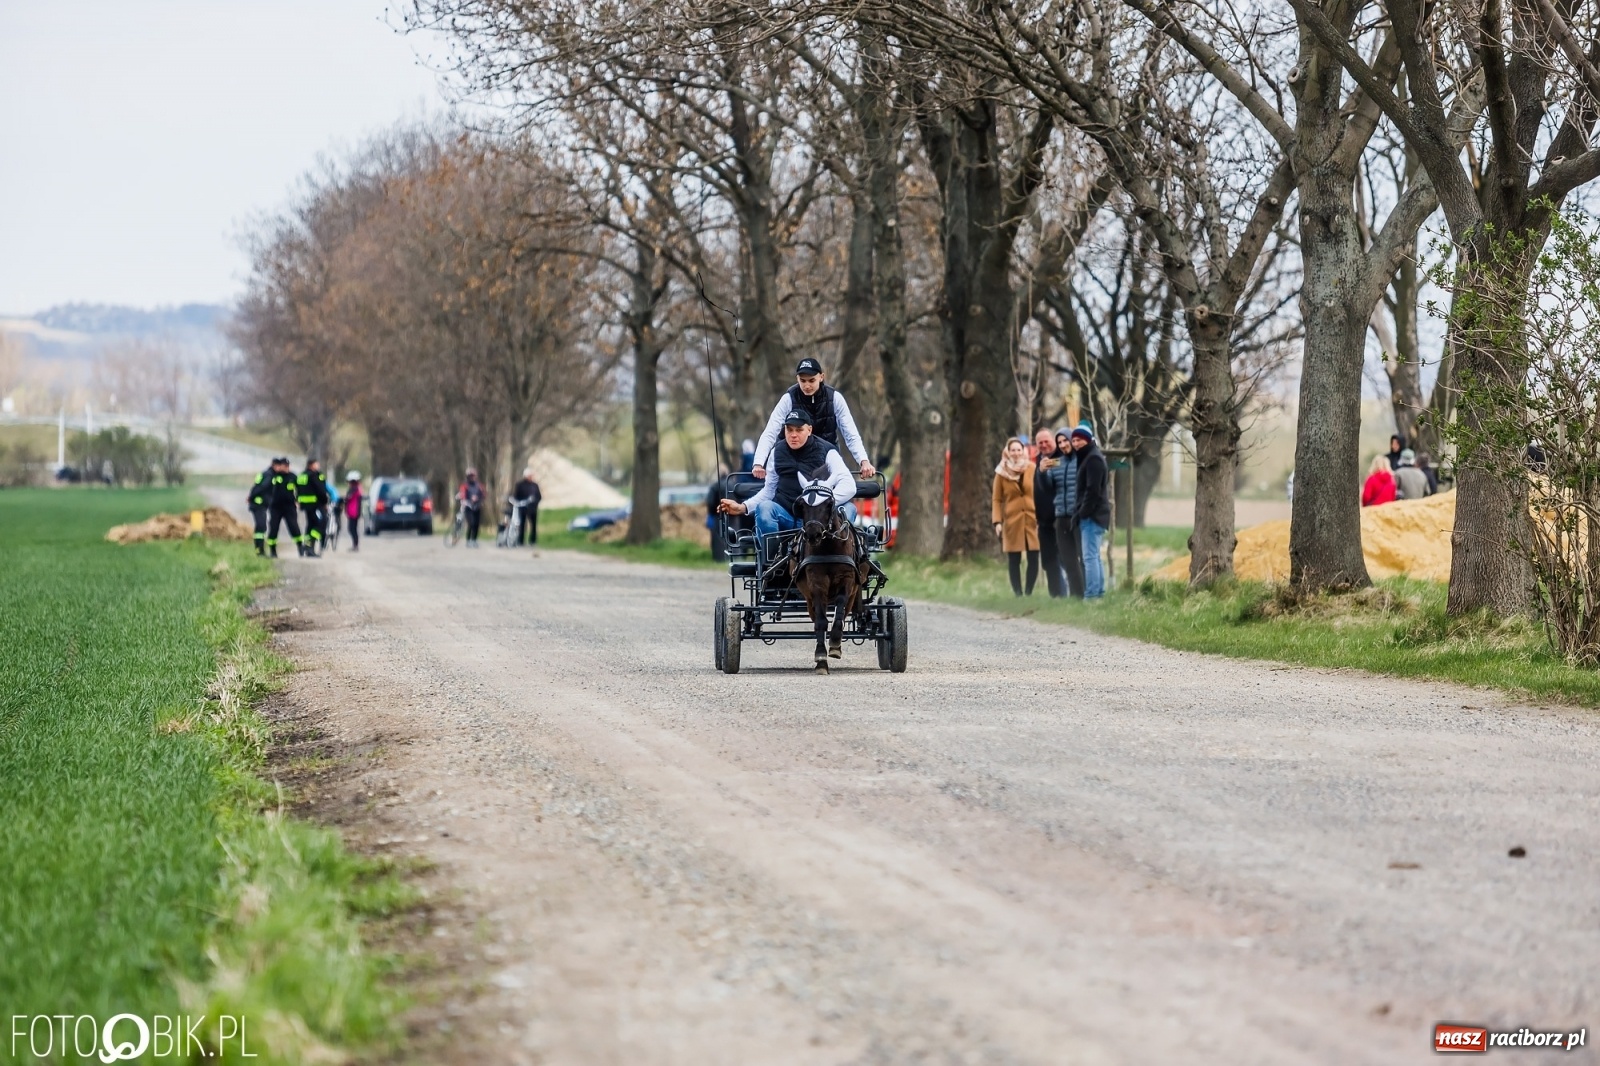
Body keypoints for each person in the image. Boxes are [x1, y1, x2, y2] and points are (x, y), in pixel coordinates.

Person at [717, 409, 855, 543]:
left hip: (819, 520)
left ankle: (841, 561)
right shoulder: (776, 452)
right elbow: (769, 491)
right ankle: (772, 562)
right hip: (786, 516)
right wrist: (743, 507)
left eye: (799, 430)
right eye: (789, 430)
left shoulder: (827, 451)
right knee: (765, 508)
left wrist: (821, 503)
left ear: (809, 430)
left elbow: (849, 485)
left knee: (849, 509)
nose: (793, 435)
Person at [752, 358, 875, 480]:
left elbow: (850, 433)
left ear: (821, 377)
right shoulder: (788, 399)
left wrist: (863, 461)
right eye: (802, 381)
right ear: (797, 379)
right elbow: (770, 432)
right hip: (793, 460)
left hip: (824, 460)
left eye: (811, 380)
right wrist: (759, 463)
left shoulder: (835, 398)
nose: (807, 385)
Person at [993, 437, 1040, 597]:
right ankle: (1018, 593)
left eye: (1019, 450)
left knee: (1034, 556)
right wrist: (997, 521)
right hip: (1012, 520)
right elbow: (997, 499)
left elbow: (1040, 491)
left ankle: (1028, 592)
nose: (1016, 453)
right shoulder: (1000, 473)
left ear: (1023, 451)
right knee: (1014, 559)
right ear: (1007, 452)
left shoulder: (1032, 468)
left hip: (1032, 519)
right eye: (1012, 450)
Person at [1071, 425, 1110, 600]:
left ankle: (1092, 595)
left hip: (1092, 516)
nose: (1075, 443)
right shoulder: (1089, 457)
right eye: (1074, 440)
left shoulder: (1093, 459)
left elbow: (1092, 490)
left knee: (1089, 558)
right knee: (1094, 556)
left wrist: (1083, 512)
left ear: (1087, 439)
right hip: (1094, 515)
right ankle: (1098, 593)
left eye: (1079, 439)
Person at [1053, 423, 1092, 599]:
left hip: (1079, 516)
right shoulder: (1056, 463)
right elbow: (1046, 488)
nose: (1062, 445)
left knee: (1084, 558)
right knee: (1068, 560)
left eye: (1065, 441)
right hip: (1061, 516)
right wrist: (1041, 472)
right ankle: (1076, 596)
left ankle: (1089, 593)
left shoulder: (1083, 460)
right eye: (1059, 442)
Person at [1032, 428, 1066, 597]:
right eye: (1040, 443)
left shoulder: (1062, 458)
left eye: (1047, 441)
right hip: (1043, 521)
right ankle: (1056, 596)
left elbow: (1058, 469)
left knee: (1063, 559)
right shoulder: (1039, 460)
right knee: (1048, 561)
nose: (1044, 445)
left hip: (1060, 518)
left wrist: (1043, 468)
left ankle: (1067, 594)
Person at [266, 457, 304, 558]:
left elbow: (300, 489)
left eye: (287, 466)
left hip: (289, 507)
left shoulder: (293, 477)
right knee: (273, 528)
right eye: (284, 466)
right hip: (275, 507)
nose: (286, 468)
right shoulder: (273, 476)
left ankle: (300, 547)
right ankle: (272, 550)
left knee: (294, 527)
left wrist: (298, 499)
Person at [296, 459, 330, 556]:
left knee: (310, 525)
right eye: (316, 464)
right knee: (322, 523)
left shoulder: (302, 476)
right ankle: (309, 545)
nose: (318, 466)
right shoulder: (314, 476)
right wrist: (324, 502)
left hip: (305, 505)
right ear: (311, 465)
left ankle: (308, 548)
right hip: (316, 505)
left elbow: (298, 489)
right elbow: (321, 490)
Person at [247, 461, 273, 556]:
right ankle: (259, 549)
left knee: (261, 527)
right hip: (258, 505)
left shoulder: (265, 474)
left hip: (260, 505)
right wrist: (251, 497)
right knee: (261, 526)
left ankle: (260, 549)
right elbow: (261, 488)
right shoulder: (269, 476)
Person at [512, 467, 542, 545]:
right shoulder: (520, 485)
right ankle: (521, 540)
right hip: (522, 508)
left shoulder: (535, 485)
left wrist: (535, 503)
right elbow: (516, 496)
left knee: (533, 525)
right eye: (530, 475)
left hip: (533, 508)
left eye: (531, 475)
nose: (531, 477)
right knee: (522, 524)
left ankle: (533, 540)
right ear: (526, 476)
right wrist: (520, 502)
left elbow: (539, 496)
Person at [457, 468, 486, 545]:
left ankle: (474, 539)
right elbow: (462, 494)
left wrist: (478, 498)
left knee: (477, 524)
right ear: (468, 477)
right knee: (471, 523)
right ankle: (468, 540)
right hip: (468, 507)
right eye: (470, 476)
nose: (472, 477)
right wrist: (465, 500)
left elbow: (483, 494)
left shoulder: (479, 485)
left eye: (473, 476)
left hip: (477, 506)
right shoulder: (465, 485)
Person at [343, 471, 363, 552]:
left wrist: (343, 500)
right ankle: (355, 545)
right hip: (353, 511)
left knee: (352, 529)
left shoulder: (354, 488)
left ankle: (355, 545)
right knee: (352, 529)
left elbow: (348, 498)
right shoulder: (357, 488)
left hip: (353, 512)